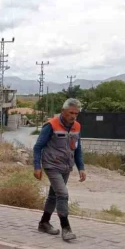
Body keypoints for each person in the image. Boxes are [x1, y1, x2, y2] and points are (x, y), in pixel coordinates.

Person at [33, 98, 86, 241]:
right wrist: (37, 166)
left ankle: (44, 222)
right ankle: (66, 228)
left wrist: (81, 167)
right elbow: (38, 147)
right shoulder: (51, 125)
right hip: (51, 165)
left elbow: (78, 149)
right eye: (71, 113)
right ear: (63, 111)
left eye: (76, 113)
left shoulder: (77, 127)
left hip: (66, 166)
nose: (73, 116)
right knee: (62, 194)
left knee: (54, 195)